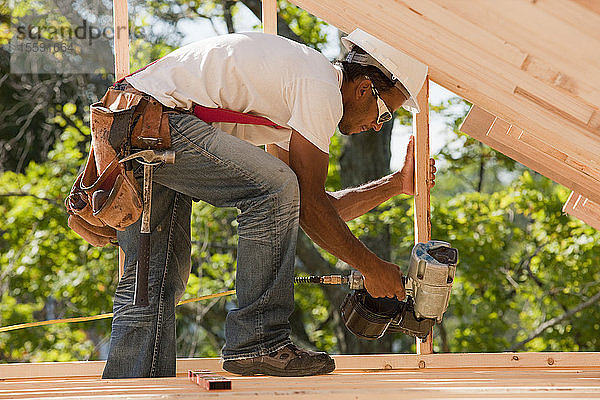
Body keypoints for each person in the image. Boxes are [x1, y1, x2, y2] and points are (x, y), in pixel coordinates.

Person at [101, 28, 436, 379]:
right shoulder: (319, 85)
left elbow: (304, 207)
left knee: (153, 278)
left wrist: (395, 184)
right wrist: (372, 267)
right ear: (364, 88)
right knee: (276, 186)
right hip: (156, 118)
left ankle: (133, 385)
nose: (377, 126)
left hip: (131, 122)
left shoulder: (296, 91)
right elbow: (300, 202)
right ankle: (258, 342)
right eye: (384, 114)